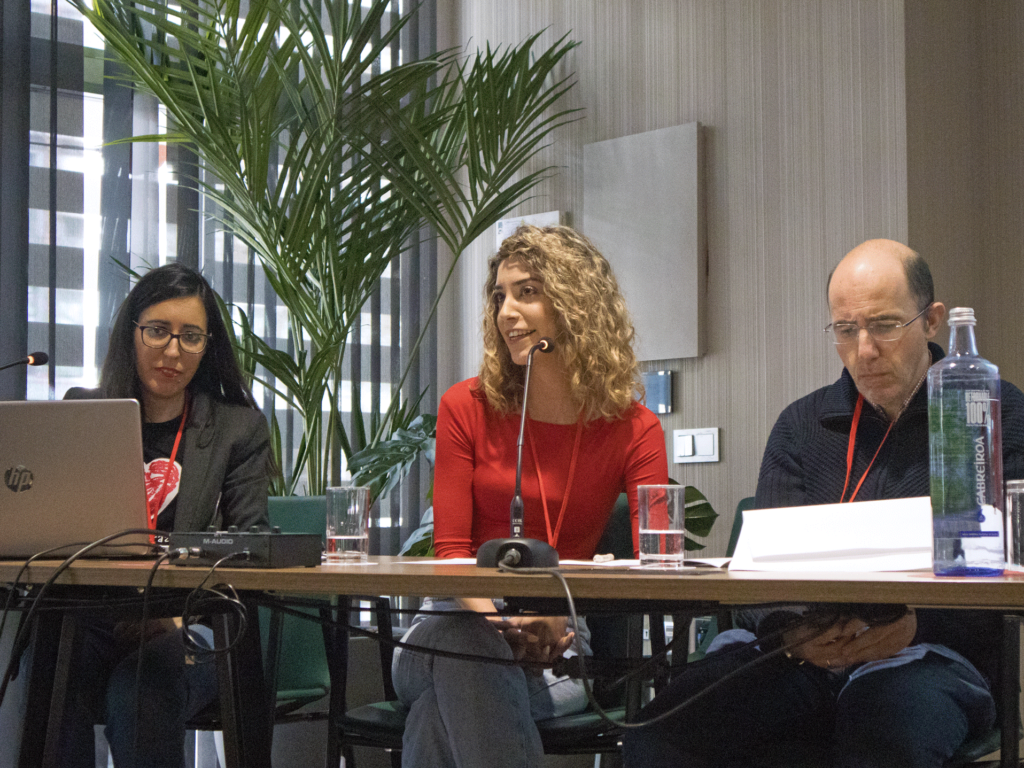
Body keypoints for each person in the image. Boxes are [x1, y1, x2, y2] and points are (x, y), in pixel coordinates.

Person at [624, 239, 1024, 767]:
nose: (864, 350)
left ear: (932, 322)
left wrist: (915, 625)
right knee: (661, 730)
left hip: (929, 652)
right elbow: (757, 575)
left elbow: (1010, 567)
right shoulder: (801, 426)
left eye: (883, 326)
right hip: (800, 652)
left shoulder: (991, 412)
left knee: (883, 725)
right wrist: (792, 630)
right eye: (845, 330)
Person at [392, 225, 669, 767]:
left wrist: (556, 615)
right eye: (500, 296)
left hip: (563, 643)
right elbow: (449, 552)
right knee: (468, 649)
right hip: (449, 620)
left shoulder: (634, 428)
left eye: (527, 292)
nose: (506, 312)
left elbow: (655, 561)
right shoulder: (465, 406)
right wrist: (498, 622)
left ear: (576, 306)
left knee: (437, 712)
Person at [59, 262, 273, 768]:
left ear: (208, 346)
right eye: (157, 331)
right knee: (49, 666)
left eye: (191, 336)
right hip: (95, 619)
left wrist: (177, 612)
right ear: (131, 332)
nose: (173, 351)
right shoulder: (83, 413)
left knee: (139, 688)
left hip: (193, 626)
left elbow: (252, 543)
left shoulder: (235, 429)